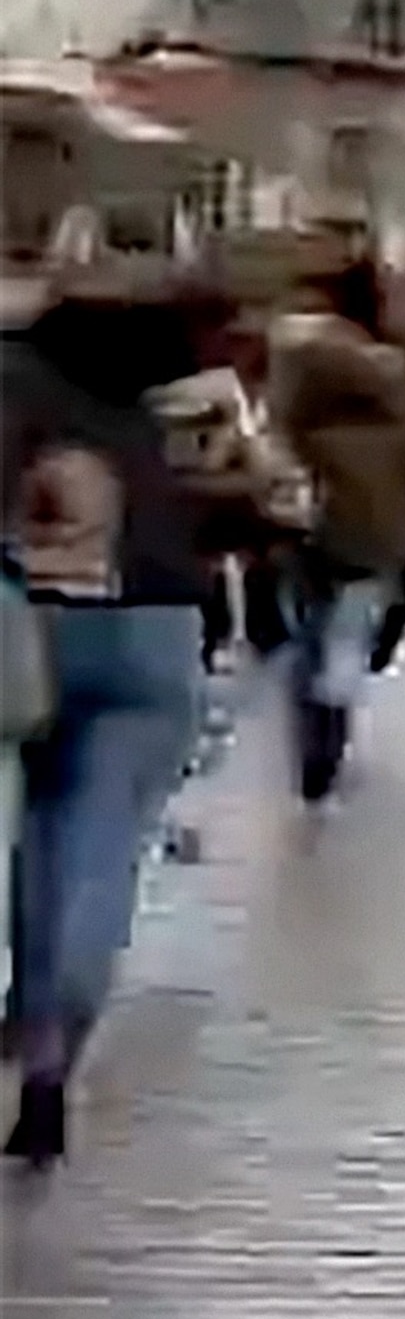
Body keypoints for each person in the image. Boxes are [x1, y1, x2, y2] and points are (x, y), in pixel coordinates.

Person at [3, 277, 238, 1165]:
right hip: (159, 630)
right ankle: (58, 1049)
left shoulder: (12, 379)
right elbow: (251, 503)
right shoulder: (175, 405)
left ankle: (32, 1026)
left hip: (34, 623)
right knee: (104, 845)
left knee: (37, 826)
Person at [268, 262, 405, 804]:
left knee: (307, 633)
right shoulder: (402, 397)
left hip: (307, 526)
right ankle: (329, 739)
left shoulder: (302, 387)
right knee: (347, 636)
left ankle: (308, 733)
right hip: (377, 536)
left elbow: (272, 440)